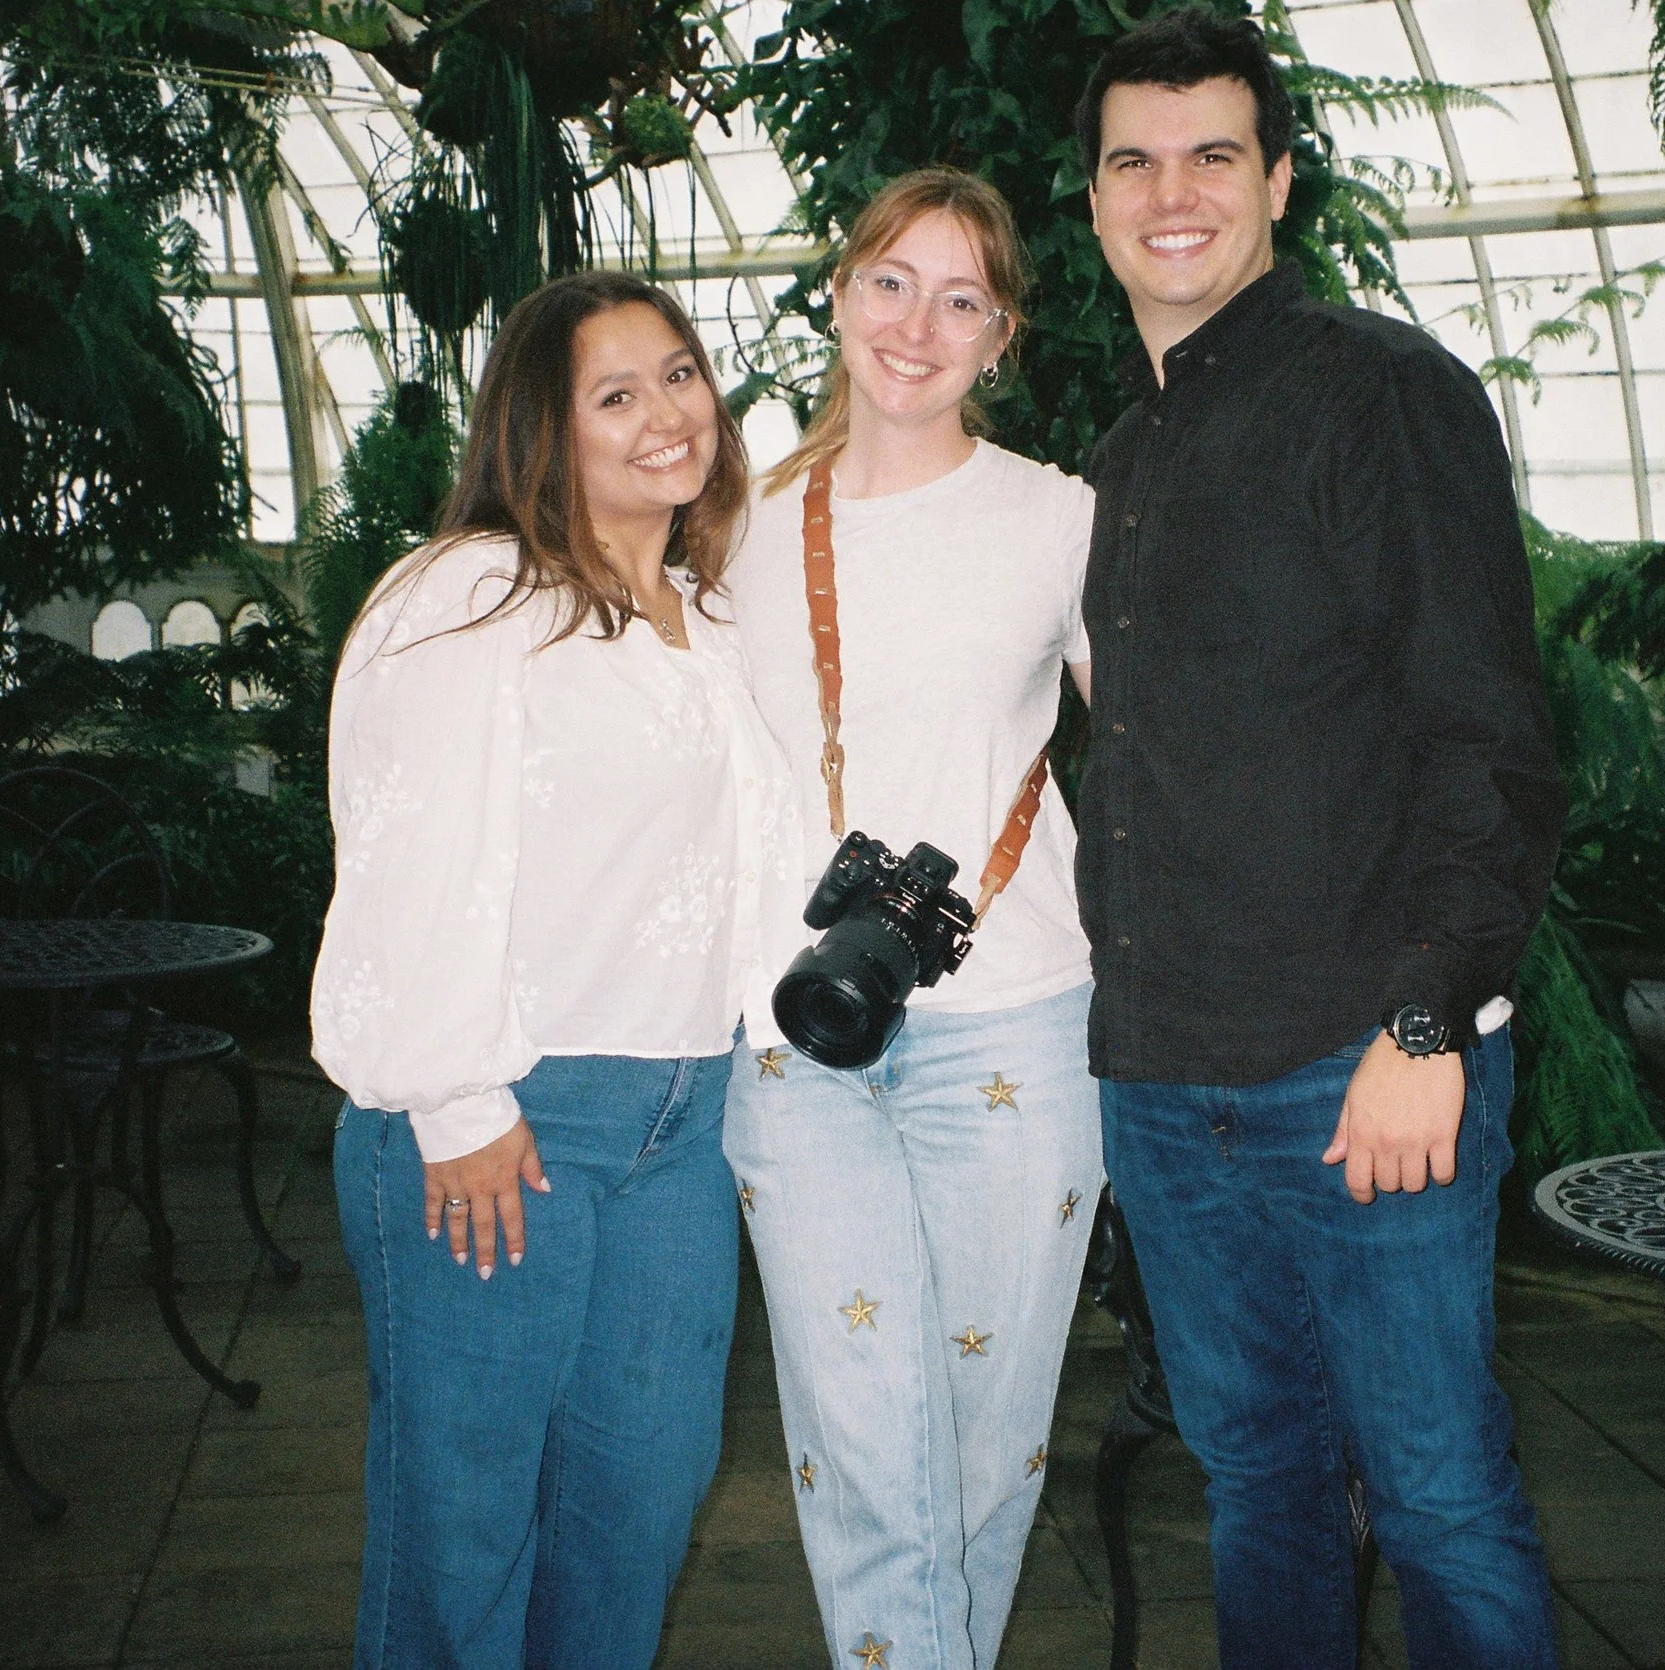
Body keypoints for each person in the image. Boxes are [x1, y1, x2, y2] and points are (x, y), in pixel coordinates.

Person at [1072, 10, 1569, 1670]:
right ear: (1092, 201)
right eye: (1135, 158)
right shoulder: (1127, 452)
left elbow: (1488, 739)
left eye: (1215, 153)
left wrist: (1427, 1024)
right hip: (1166, 1082)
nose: (1174, 191)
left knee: (1436, 1491)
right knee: (1260, 1484)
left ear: (1278, 180)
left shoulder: (1384, 394)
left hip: (1360, 1075)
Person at [310, 271, 799, 1669]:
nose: (669, 413)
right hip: (508, 1120)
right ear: (542, 427)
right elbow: (405, 853)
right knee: (461, 1534)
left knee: (640, 1503)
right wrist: (454, 1098)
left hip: (681, 1126)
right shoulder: (471, 594)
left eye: (682, 373)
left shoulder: (706, 613)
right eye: (617, 391)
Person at [720, 167, 1103, 1670]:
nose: (918, 324)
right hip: (790, 1032)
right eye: (891, 280)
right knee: (870, 1451)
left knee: (987, 1456)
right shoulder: (731, 528)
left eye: (963, 298)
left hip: (1020, 1018)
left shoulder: (1064, 518)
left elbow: (1188, 750)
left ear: (1002, 336)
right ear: (838, 291)